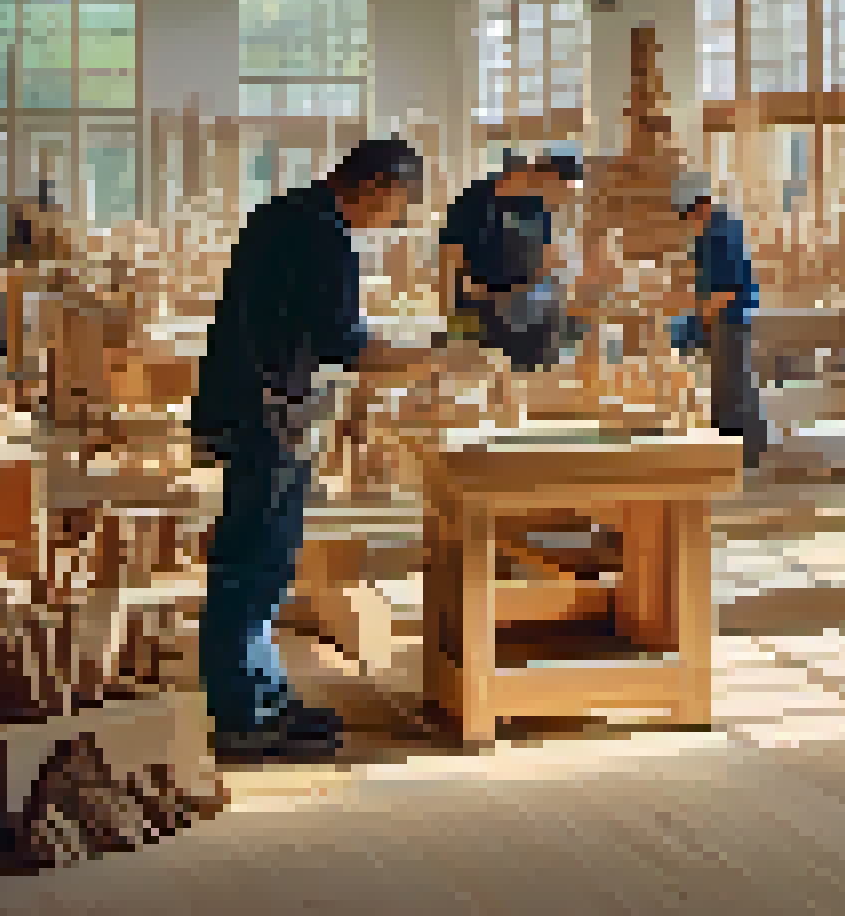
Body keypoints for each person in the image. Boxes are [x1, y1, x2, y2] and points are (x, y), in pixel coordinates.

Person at [189, 138, 439, 761]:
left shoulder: (279, 214)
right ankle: (244, 716)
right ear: (379, 185)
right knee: (258, 561)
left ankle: (256, 691)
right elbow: (345, 346)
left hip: (245, 405)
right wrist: (433, 358)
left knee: (251, 555)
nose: (395, 220)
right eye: (399, 206)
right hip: (273, 414)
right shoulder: (326, 238)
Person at [439, 149, 586, 371]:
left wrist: (562, 286)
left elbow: (542, 262)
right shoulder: (475, 199)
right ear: (543, 174)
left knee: (571, 339)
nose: (558, 199)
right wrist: (450, 316)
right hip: (481, 305)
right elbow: (448, 259)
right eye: (559, 190)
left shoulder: (538, 208)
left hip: (526, 305)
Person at [675, 172, 766, 468]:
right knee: (728, 389)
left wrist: (697, 320)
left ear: (700, 206)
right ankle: (732, 454)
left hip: (730, 319)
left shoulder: (720, 233)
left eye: (688, 215)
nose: (687, 223)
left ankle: (740, 458)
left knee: (733, 391)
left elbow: (726, 290)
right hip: (724, 318)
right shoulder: (713, 231)